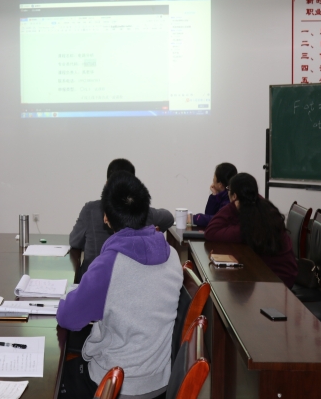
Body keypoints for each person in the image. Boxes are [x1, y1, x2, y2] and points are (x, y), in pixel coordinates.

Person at [57, 172, 182, 399]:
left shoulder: (108, 265)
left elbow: (68, 317)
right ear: (145, 211)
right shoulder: (172, 256)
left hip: (114, 385)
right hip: (160, 383)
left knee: (53, 380)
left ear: (106, 218)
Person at [70, 158, 174, 277]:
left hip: (94, 277)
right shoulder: (144, 212)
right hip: (133, 278)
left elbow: (74, 241)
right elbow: (169, 218)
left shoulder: (90, 209)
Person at [204, 173, 298, 288]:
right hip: (278, 273)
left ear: (234, 196)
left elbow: (211, 231)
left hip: (277, 280)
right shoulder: (261, 207)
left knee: (236, 289)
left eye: (229, 190)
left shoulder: (253, 224)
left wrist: (233, 204)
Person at [192, 162, 237, 227]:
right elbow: (208, 214)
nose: (213, 183)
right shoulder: (221, 197)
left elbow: (217, 220)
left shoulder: (228, 201)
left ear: (220, 185)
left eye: (214, 180)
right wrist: (214, 195)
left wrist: (195, 218)